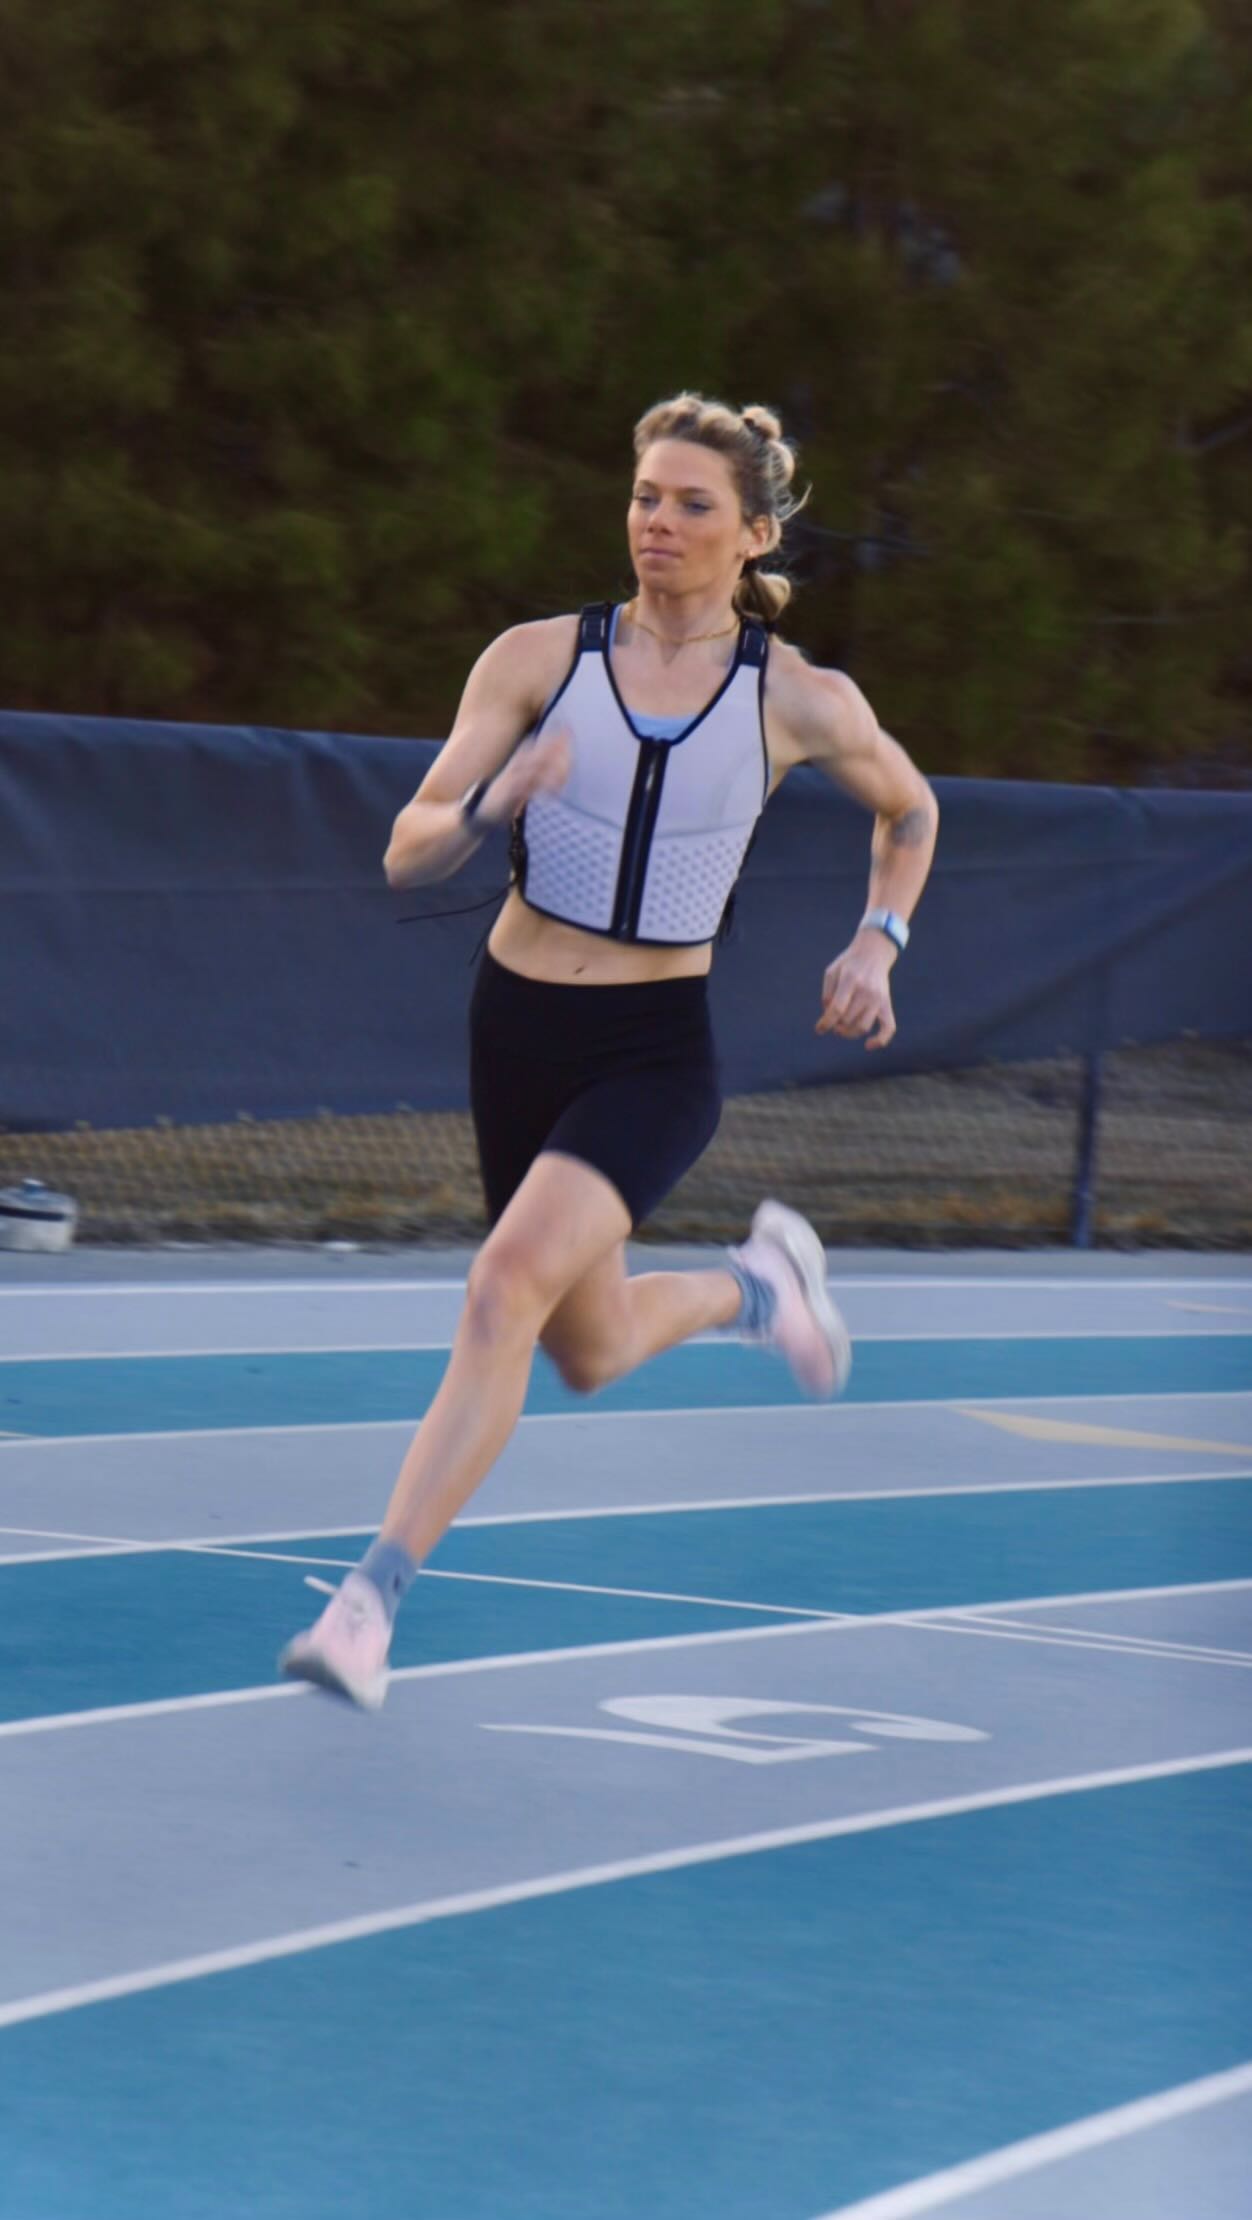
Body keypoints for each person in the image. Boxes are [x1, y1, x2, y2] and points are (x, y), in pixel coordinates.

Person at [280, 391, 939, 1709]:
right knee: (581, 1348)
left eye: (694, 504)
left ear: (752, 534)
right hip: (514, 1023)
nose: (659, 522)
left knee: (498, 1289)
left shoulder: (797, 698)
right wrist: (491, 800)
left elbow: (911, 810)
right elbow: (408, 849)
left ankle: (368, 1606)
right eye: (646, 496)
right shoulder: (536, 659)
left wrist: (877, 944)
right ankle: (757, 1290)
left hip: (650, 1049)